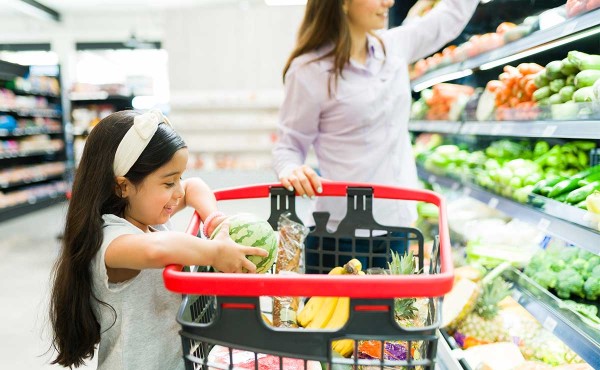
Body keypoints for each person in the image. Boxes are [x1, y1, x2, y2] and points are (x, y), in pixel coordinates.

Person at [49, 109, 267, 369]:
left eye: (179, 178)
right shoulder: (111, 240)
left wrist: (214, 220)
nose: (178, 192)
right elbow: (158, 250)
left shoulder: (144, 213)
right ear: (123, 187)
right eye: (168, 183)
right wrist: (214, 251)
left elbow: (195, 186)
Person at [272, 0, 479, 271]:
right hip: (339, 235)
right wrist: (292, 169)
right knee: (335, 315)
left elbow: (451, 14)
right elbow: (289, 145)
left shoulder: (394, 46)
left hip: (398, 225)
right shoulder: (310, 70)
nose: (389, 1)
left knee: (393, 313)